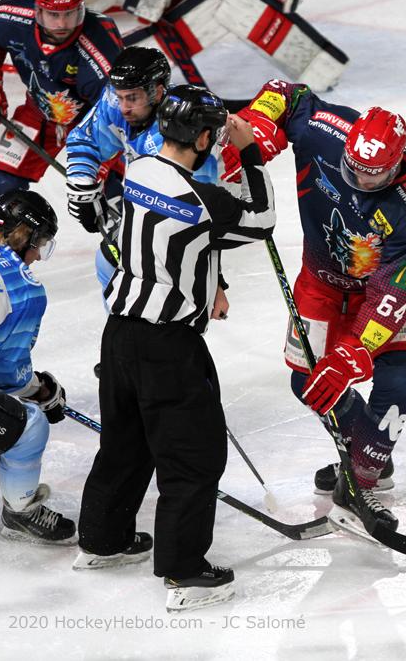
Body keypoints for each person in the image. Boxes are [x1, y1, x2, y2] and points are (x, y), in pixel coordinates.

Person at [74, 85, 276, 613]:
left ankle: (103, 540)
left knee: (125, 441)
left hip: (118, 333)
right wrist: (250, 149)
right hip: (168, 343)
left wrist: (210, 276)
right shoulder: (206, 201)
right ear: (206, 137)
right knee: (194, 455)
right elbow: (260, 219)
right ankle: (185, 572)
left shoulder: (137, 170)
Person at [224, 81, 406, 539]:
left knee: (400, 380)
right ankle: (365, 451)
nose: (361, 180)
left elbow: (393, 291)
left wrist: (355, 351)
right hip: (321, 282)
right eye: (355, 169)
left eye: (374, 175)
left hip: (387, 291)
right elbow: (287, 94)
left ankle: (361, 477)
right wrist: (260, 129)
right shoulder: (325, 129)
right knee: (309, 382)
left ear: (398, 163)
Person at [64, 46, 230, 375]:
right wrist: (83, 184)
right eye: (120, 96)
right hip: (146, 205)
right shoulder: (120, 100)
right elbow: (86, 140)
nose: (123, 106)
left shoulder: (181, 133)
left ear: (157, 91)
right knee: (110, 261)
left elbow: (204, 214)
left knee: (174, 304)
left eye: (132, 98)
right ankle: (126, 354)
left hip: (180, 225)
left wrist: (216, 280)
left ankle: (170, 373)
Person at [0, 189, 73, 544]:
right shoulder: (22, 287)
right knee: (30, 427)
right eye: (39, 243)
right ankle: (20, 512)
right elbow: (2, 377)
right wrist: (40, 391)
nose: (38, 255)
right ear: (24, 235)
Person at [0, 0, 122, 228]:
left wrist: (102, 163)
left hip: (93, 125)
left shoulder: (100, 50)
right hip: (39, 110)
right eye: (53, 15)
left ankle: (128, 250)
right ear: (37, 10)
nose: (61, 24)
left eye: (69, 14)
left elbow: (119, 112)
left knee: (111, 200)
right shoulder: (10, 16)